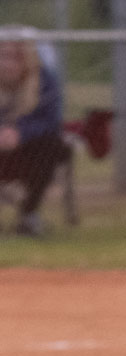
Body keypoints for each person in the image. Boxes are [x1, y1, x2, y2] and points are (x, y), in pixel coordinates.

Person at [0, 27, 72, 238]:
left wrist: (20, 133)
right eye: (3, 56)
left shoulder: (44, 81)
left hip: (28, 153)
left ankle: (28, 215)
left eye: (15, 57)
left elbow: (51, 122)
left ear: (27, 59)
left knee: (54, 145)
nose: (7, 64)